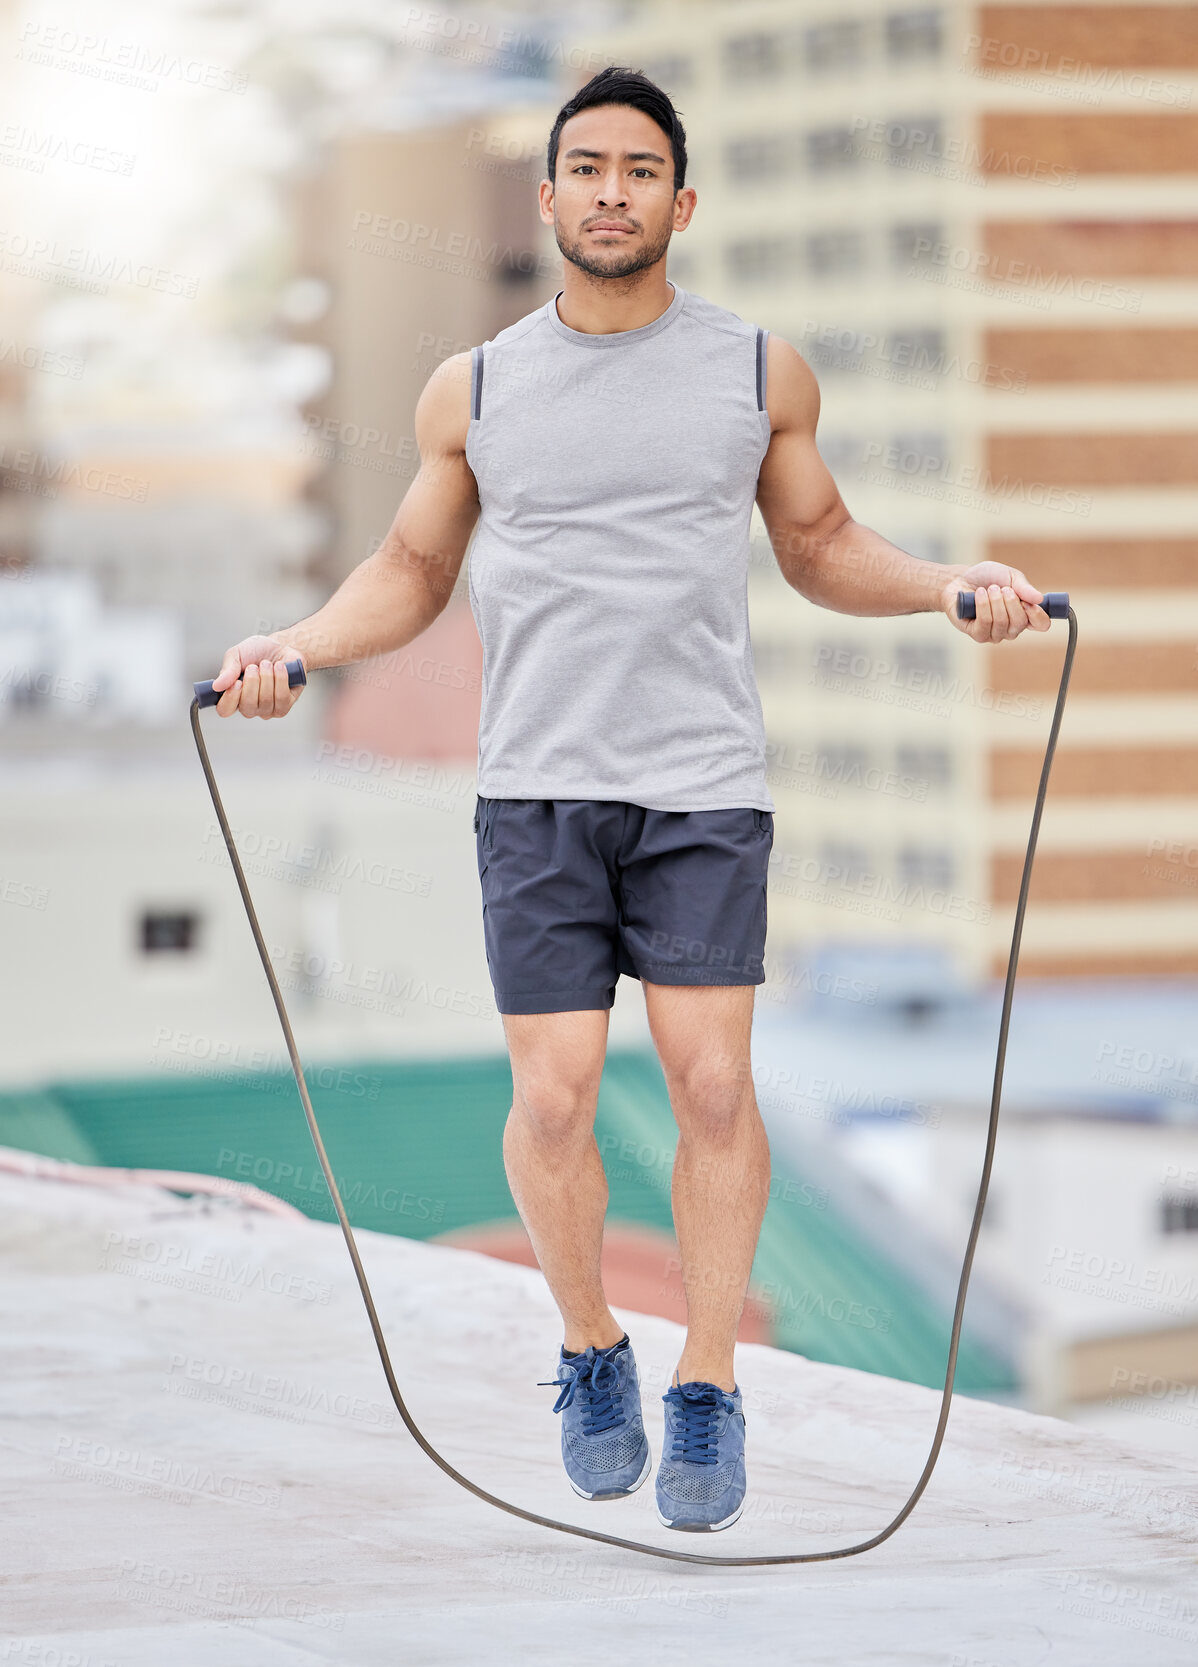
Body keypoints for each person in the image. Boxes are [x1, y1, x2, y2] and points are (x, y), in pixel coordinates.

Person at [212, 66, 1050, 1533]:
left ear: (680, 200)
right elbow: (409, 575)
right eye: (585, 167)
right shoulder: (469, 387)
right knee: (552, 1102)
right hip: (536, 792)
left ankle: (708, 1385)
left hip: (701, 793)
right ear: (546, 198)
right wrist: (295, 647)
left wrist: (945, 589)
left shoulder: (756, 372)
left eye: (638, 169)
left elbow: (821, 543)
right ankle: (592, 1348)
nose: (611, 190)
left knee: (714, 1088)